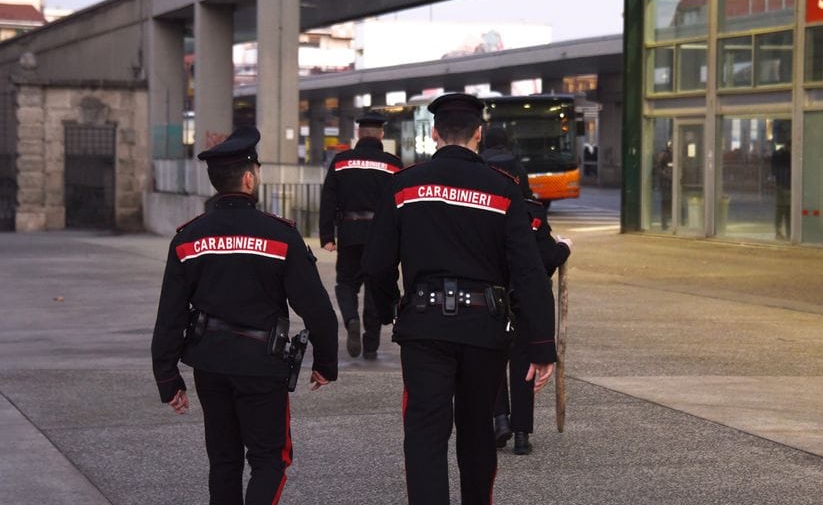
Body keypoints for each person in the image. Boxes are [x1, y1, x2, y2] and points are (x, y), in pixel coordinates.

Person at [362, 93, 557, 505]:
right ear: (478, 135)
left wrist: (389, 310)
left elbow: (376, 264)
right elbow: (528, 271)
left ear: (434, 134)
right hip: (484, 330)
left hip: (424, 327)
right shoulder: (503, 190)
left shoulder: (404, 186)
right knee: (477, 435)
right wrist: (541, 344)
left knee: (425, 435)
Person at [151, 126, 339, 505]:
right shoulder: (279, 235)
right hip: (261, 364)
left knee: (223, 461)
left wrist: (167, 377)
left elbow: (170, 313)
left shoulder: (188, 238)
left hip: (210, 364)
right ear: (250, 178)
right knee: (270, 459)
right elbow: (315, 306)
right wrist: (326, 362)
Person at [319, 112, 403, 360]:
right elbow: (401, 202)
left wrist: (327, 236)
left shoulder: (341, 161)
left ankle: (351, 319)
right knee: (375, 288)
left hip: (350, 231)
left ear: (358, 134)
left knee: (346, 284)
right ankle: (370, 345)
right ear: (381, 135)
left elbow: (328, 200)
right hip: (381, 235)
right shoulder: (393, 164)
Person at [493, 196, 572, 455]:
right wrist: (564, 246)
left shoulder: (485, 203)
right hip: (526, 297)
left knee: (491, 358)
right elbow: (545, 260)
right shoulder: (532, 212)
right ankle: (521, 433)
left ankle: (499, 419)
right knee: (523, 363)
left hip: (492, 296)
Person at [480, 125, 531, 197]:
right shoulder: (516, 164)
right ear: (506, 141)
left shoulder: (479, 163)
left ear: (485, 141)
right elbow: (526, 194)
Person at [655, 141, 673, 230]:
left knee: (669, 203)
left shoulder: (673, 154)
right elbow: (659, 168)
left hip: (671, 183)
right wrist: (667, 176)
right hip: (666, 184)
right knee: (666, 203)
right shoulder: (664, 154)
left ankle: (668, 222)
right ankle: (664, 223)